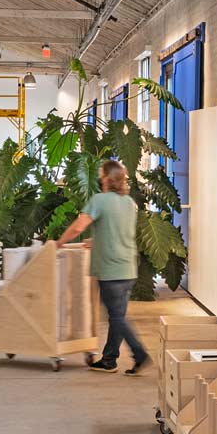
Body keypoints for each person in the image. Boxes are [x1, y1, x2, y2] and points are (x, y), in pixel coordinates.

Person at [59, 158, 147, 374]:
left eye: (101, 174)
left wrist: (59, 242)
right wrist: (96, 241)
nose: (99, 178)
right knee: (118, 316)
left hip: (111, 269)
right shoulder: (129, 203)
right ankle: (109, 360)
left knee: (117, 317)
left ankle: (139, 352)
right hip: (128, 268)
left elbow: (79, 226)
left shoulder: (99, 200)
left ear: (108, 178)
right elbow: (118, 231)